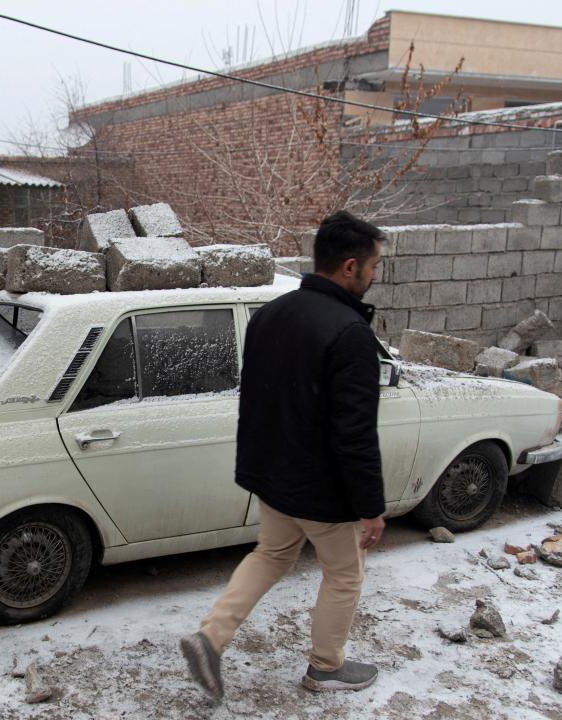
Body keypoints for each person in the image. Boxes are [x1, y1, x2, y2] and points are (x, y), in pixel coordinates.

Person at [180, 210, 388, 698]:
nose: (376, 275)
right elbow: (355, 432)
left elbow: (259, 398)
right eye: (375, 265)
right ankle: (327, 667)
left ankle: (210, 639)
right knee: (344, 574)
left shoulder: (270, 314)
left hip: (274, 474)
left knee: (272, 553)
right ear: (350, 266)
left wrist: (260, 468)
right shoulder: (351, 334)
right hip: (322, 488)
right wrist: (370, 507)